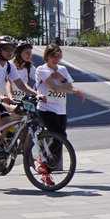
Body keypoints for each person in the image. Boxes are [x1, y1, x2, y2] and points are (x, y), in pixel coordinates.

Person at [31, 43, 83, 177]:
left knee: (59, 137)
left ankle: (46, 167)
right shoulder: (42, 69)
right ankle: (42, 161)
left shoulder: (63, 69)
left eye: (58, 56)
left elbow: (69, 86)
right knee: (60, 135)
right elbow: (54, 88)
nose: (55, 59)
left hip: (61, 109)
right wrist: (75, 92)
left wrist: (62, 78)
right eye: (53, 56)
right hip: (46, 108)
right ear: (47, 57)